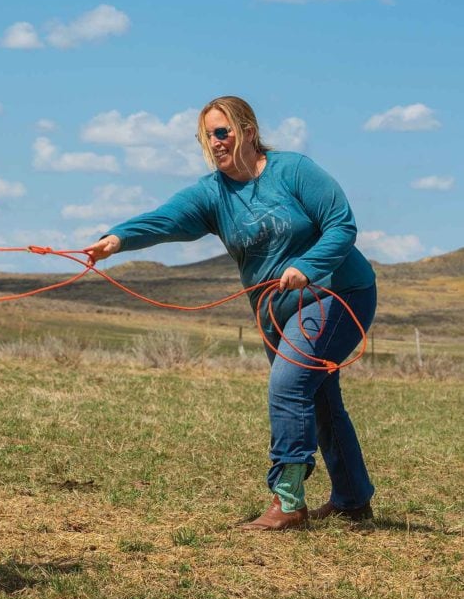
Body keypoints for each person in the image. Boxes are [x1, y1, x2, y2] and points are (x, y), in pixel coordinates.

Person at [85, 96, 377, 531]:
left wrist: (307, 266)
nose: (215, 142)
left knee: (289, 382)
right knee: (317, 397)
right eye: (208, 135)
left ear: (248, 131)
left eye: (223, 132)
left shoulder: (294, 171)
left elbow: (341, 225)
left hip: (337, 294)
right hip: (276, 310)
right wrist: (117, 239)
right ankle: (353, 499)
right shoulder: (213, 193)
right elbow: (165, 219)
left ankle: (289, 501)